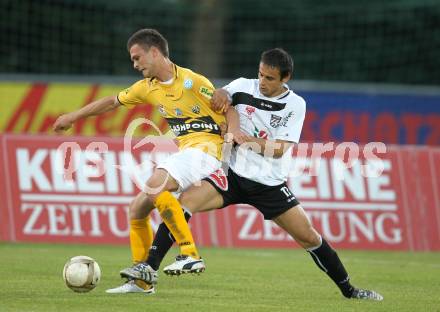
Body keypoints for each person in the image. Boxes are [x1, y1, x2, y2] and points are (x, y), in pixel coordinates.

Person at [117, 48, 383, 301]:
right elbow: (219, 95)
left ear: (285, 78)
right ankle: (148, 269)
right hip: (230, 176)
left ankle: (349, 290)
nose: (262, 81)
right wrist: (220, 96)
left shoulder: (295, 104)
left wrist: (245, 140)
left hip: (268, 184)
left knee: (309, 237)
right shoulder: (244, 86)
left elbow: (280, 150)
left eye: (269, 78)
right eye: (260, 74)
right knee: (183, 203)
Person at [53, 28, 231, 294]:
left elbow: (229, 109)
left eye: (138, 58)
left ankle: (189, 253)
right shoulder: (147, 88)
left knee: (155, 184)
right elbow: (111, 103)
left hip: (208, 151)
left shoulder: (192, 82)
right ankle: (141, 281)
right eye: (132, 60)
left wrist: (226, 104)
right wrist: (73, 117)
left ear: (155, 52)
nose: (135, 65)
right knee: (137, 210)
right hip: (188, 151)